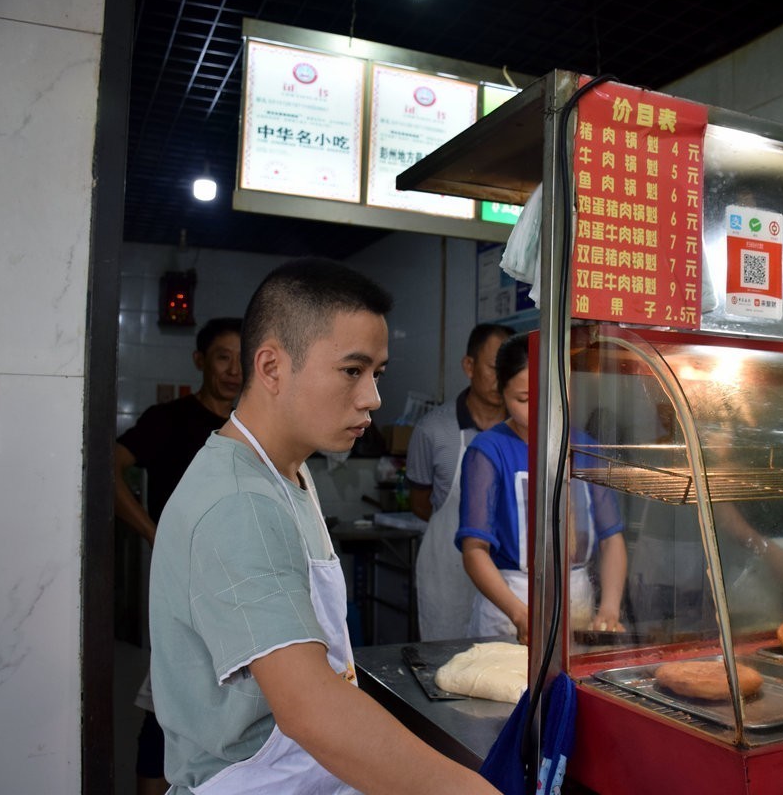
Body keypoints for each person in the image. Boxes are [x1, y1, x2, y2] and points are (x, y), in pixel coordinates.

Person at [149, 258, 498, 794]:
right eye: (351, 371)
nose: (373, 398)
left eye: (376, 374)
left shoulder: (289, 471)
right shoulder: (239, 502)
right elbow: (312, 711)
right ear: (270, 368)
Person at [114, 316, 243, 795]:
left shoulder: (247, 426)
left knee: (236, 692)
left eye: (240, 359)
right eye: (221, 357)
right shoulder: (167, 419)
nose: (232, 369)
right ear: (200, 361)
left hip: (237, 576)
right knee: (168, 688)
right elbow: (111, 466)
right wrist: (152, 531)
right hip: (183, 575)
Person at [456, 332, 628, 643]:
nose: (540, 409)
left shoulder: (585, 449)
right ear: (502, 393)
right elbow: (474, 551)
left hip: (579, 603)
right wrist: (519, 613)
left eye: (551, 395)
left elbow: (611, 538)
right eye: (523, 399)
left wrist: (610, 609)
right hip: (509, 606)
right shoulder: (489, 451)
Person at [410, 322, 515, 641]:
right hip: (448, 575)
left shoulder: (525, 430)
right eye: (495, 368)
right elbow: (420, 503)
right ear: (469, 366)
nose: (502, 379)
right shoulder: (432, 430)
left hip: (508, 581)